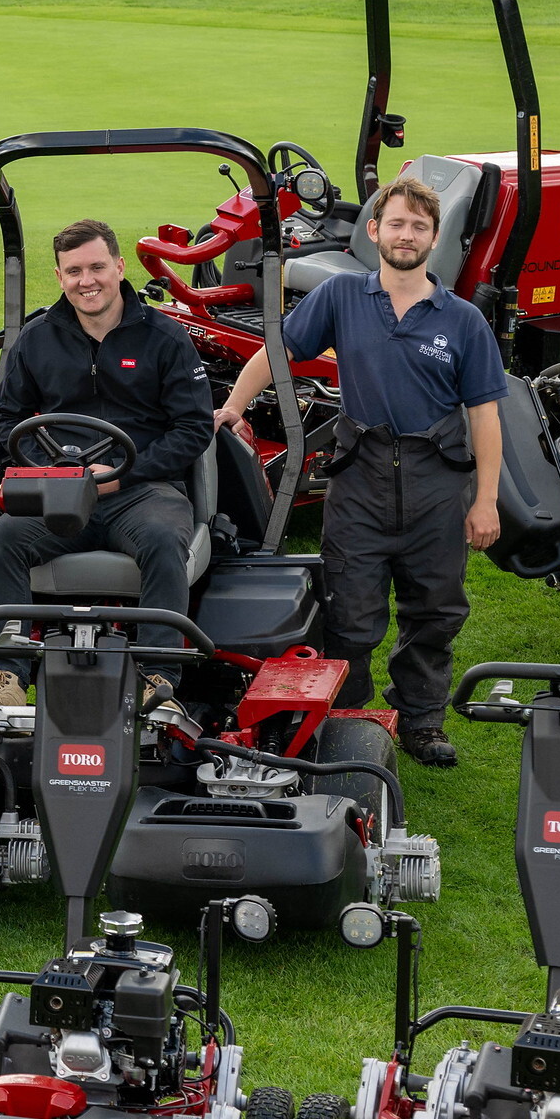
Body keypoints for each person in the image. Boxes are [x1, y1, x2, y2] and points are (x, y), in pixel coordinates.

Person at [216, 175, 505, 767]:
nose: (406, 235)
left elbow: (485, 415)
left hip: (437, 483)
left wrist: (486, 501)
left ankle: (421, 722)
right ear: (375, 230)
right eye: (396, 224)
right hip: (360, 479)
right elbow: (278, 353)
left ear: (434, 237)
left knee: (435, 611)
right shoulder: (342, 298)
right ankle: (347, 718)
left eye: (419, 227)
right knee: (350, 612)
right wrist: (232, 408)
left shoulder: (463, 320)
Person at [0, 219, 212, 709]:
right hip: (61, 494)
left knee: (163, 540)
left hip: (144, 491)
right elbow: (7, 417)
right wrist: (55, 473)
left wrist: (124, 474)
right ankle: (6, 675)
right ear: (59, 277)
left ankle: (157, 677)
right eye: (74, 271)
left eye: (97, 267)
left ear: (119, 268)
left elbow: (193, 429)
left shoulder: (165, 338)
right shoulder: (36, 340)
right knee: (3, 539)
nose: (87, 280)